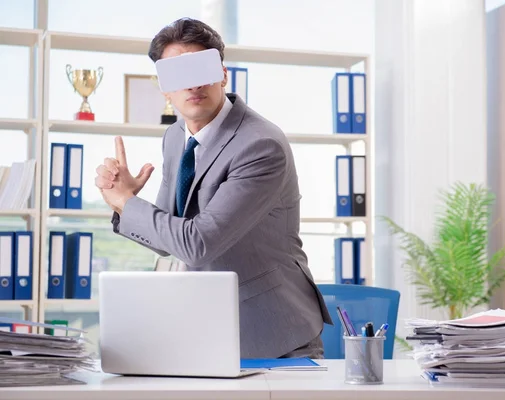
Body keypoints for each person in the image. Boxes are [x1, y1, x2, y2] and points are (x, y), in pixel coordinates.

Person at [94, 17, 333, 359]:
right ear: (164, 86)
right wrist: (123, 203)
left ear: (222, 73)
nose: (192, 85)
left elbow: (197, 244)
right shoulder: (176, 137)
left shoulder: (260, 145)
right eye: (178, 74)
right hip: (209, 327)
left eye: (201, 69)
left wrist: (129, 203)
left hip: (275, 331)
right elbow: (167, 240)